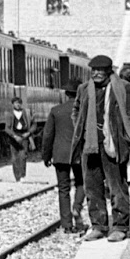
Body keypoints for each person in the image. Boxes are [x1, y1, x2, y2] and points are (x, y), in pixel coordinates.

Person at [71, 54, 130, 241]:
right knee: (92, 186)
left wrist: (129, 142)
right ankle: (98, 226)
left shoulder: (124, 88)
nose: (96, 74)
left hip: (114, 143)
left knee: (117, 186)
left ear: (109, 71)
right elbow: (76, 110)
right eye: (93, 70)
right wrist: (82, 128)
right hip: (90, 144)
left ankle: (120, 226)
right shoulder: (84, 89)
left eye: (100, 70)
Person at [41, 81, 84, 232]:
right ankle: (77, 207)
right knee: (81, 183)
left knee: (63, 189)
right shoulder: (83, 111)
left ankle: (66, 224)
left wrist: (46, 156)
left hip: (60, 154)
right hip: (79, 154)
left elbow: (48, 135)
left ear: (66, 94)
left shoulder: (56, 110)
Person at [5, 97, 32, 182]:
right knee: (14, 158)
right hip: (14, 137)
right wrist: (14, 136)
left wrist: (28, 133)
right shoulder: (9, 114)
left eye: (19, 103)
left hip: (23, 136)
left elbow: (32, 124)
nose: (18, 104)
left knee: (23, 156)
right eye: (16, 103)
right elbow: (7, 128)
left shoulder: (25, 113)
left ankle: (22, 175)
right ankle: (17, 177)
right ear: (13, 104)